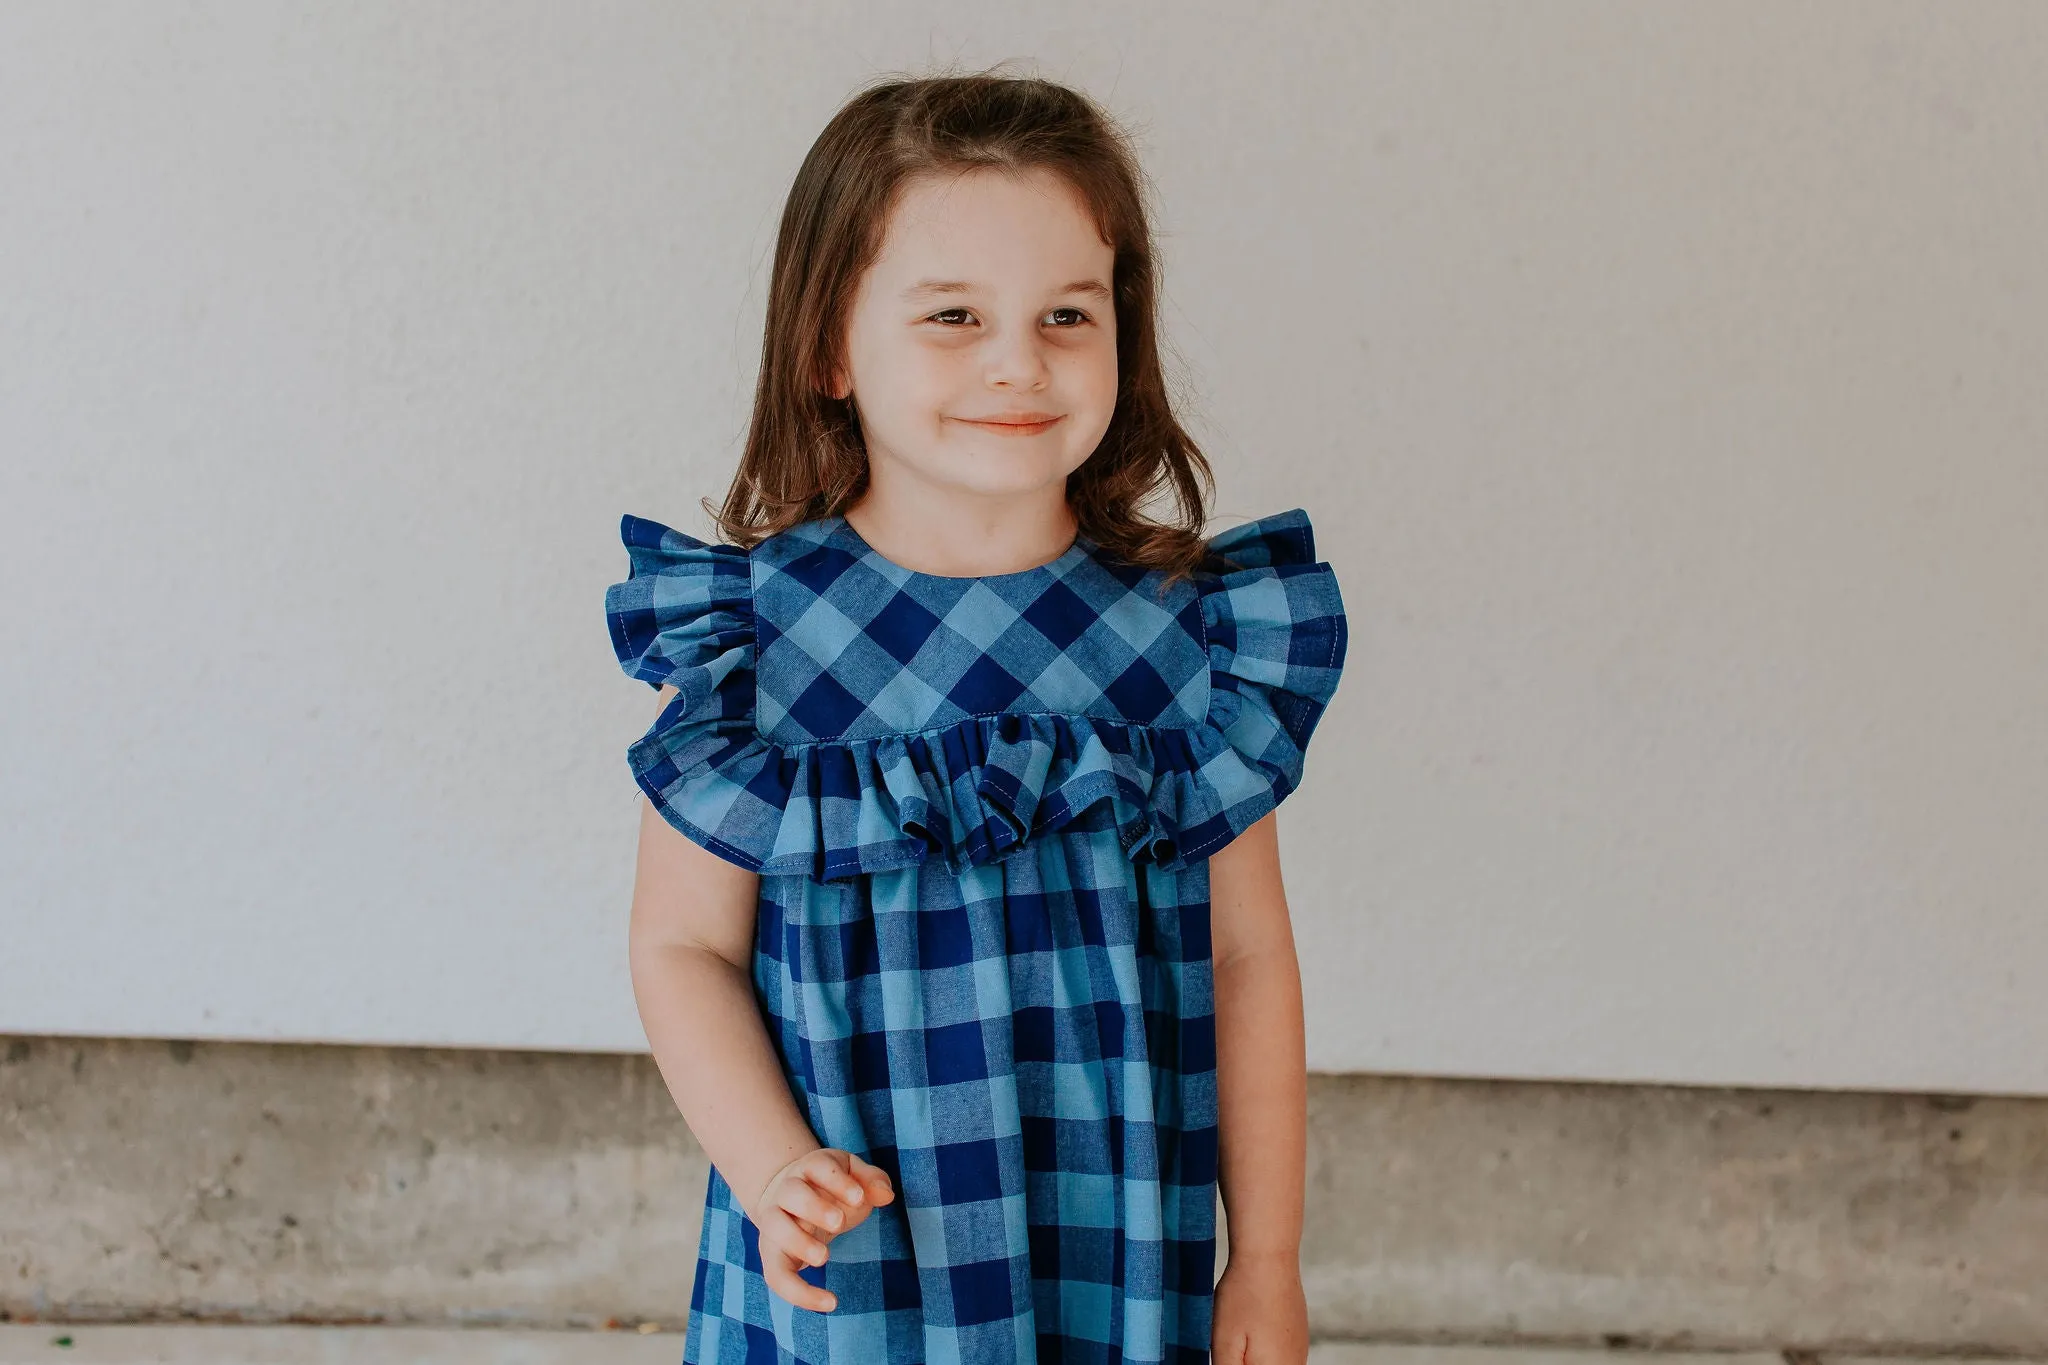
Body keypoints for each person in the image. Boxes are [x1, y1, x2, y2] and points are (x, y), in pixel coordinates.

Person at [603, 67, 1347, 1365]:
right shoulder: (758, 643)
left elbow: (1248, 962)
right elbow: (684, 950)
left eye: (1068, 312)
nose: (1020, 361)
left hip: (1110, 1236)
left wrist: (1267, 1261)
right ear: (829, 345)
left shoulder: (1191, 637)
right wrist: (773, 1166)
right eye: (954, 314)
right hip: (865, 1241)